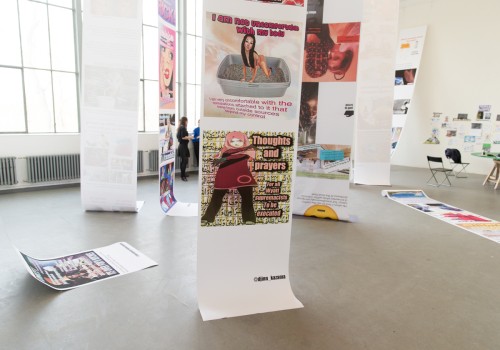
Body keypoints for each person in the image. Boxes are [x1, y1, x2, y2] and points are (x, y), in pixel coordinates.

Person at [201, 132, 257, 226]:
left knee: (247, 197)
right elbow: (223, 159)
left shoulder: (247, 151)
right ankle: (207, 217)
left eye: (239, 140)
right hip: (225, 175)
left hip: (241, 176)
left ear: (244, 140)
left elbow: (246, 156)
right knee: (216, 197)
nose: (235, 143)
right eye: (232, 140)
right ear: (228, 141)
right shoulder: (224, 151)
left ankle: (249, 218)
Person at [176, 116, 193, 181]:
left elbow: (181, 137)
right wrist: (190, 137)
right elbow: (183, 137)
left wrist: (188, 137)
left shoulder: (180, 127)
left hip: (183, 146)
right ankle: (183, 176)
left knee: (184, 161)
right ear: (185, 121)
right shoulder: (182, 128)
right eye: (187, 121)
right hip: (183, 147)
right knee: (184, 161)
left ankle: (183, 174)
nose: (187, 122)